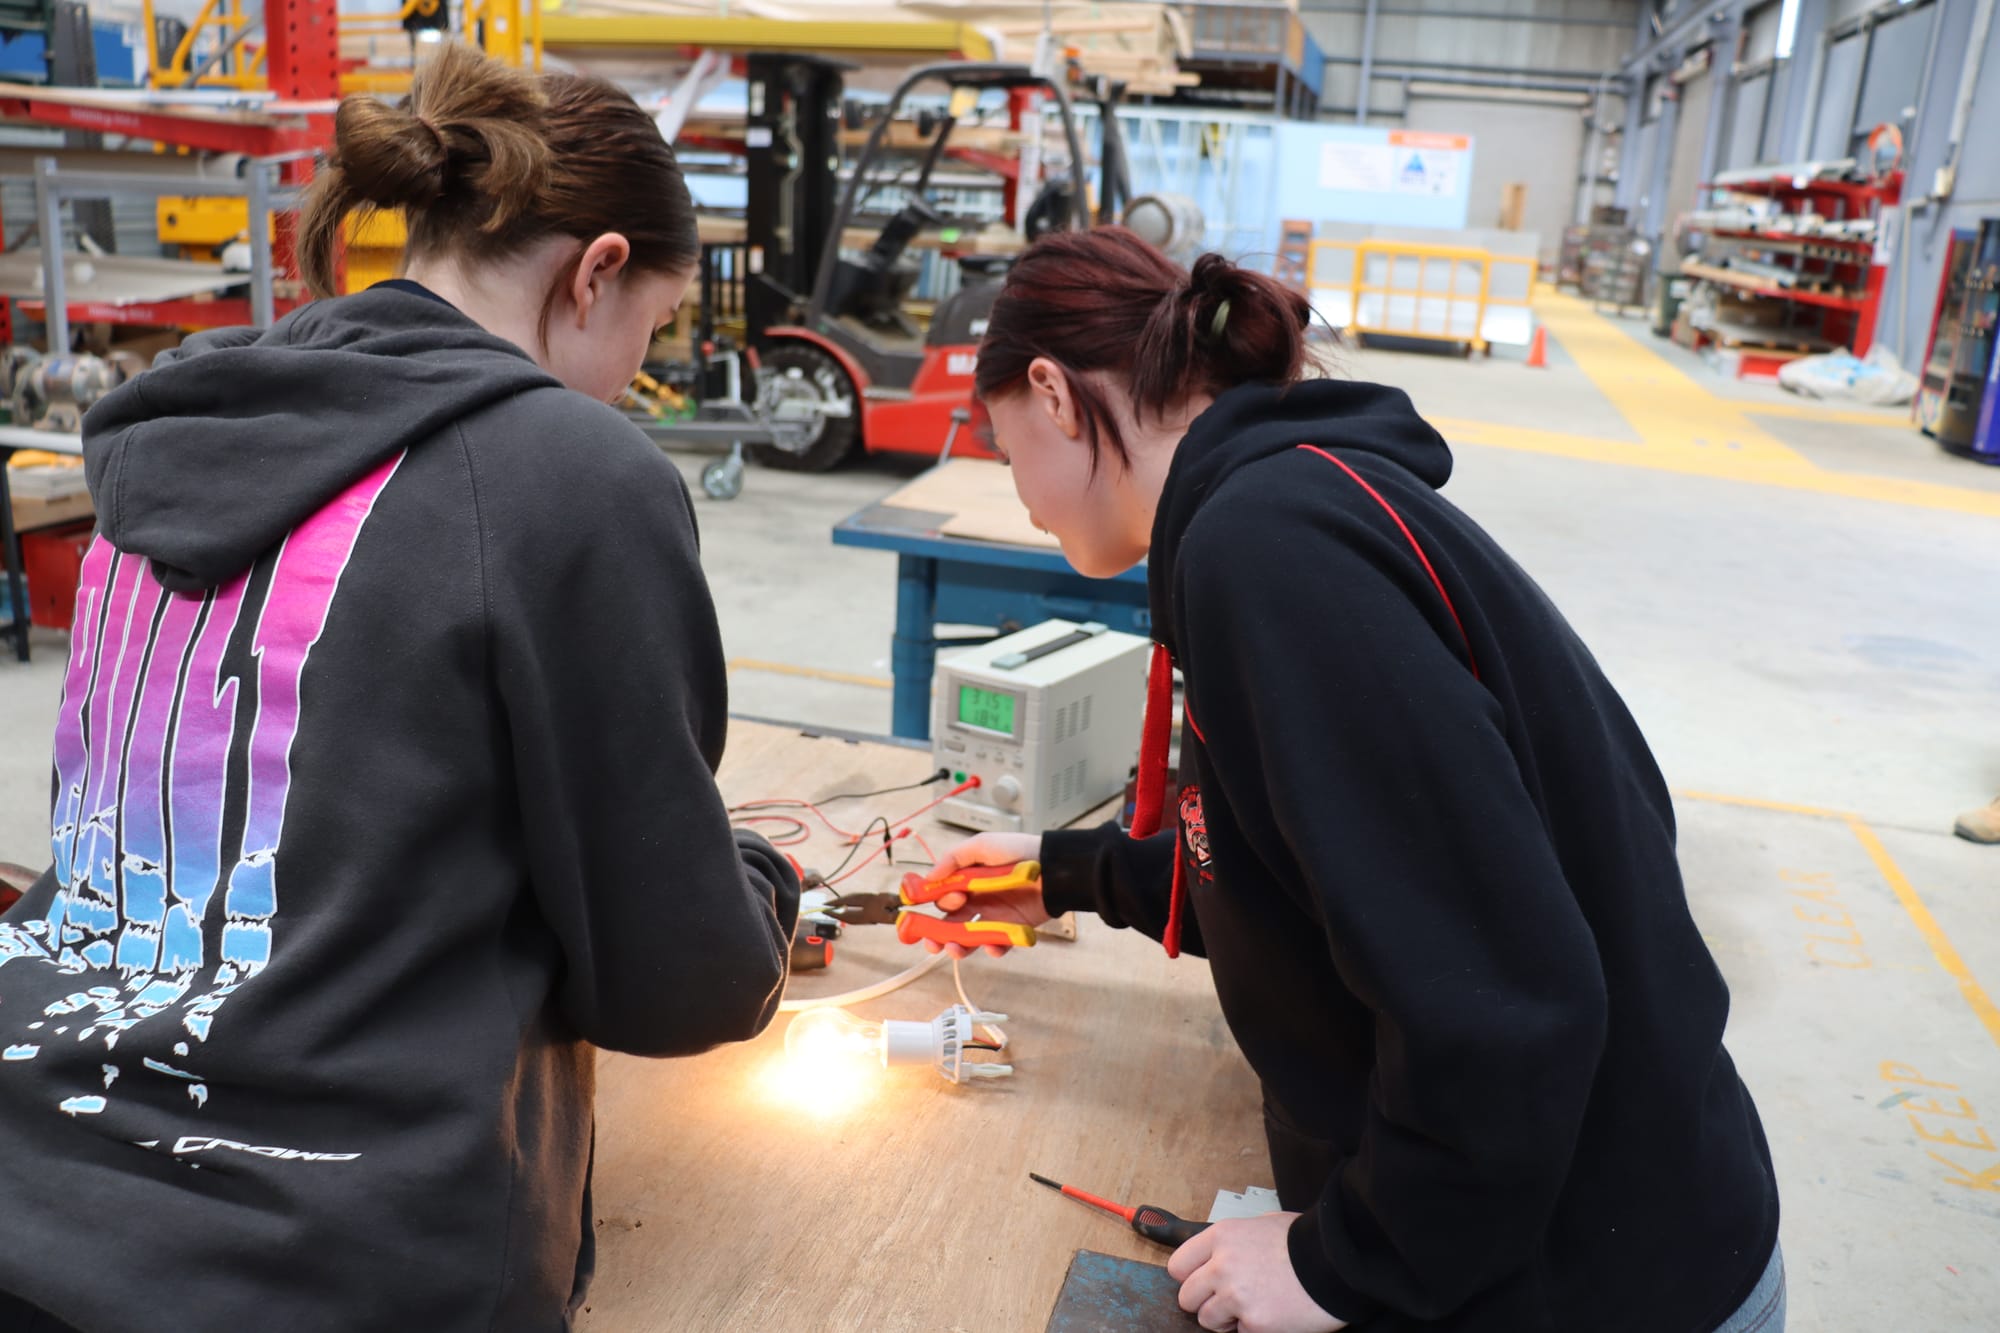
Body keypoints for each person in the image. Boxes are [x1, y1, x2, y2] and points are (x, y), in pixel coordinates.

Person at [0, 44, 799, 1332]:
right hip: (324, 1261)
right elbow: (673, 975)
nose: (630, 384)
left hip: (37, 1183)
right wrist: (757, 884)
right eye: (647, 332)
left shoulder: (179, 430)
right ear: (595, 272)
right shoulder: (566, 473)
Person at [924, 228, 1784, 1333]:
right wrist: (1069, 874)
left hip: (1604, 1277)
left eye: (1003, 456)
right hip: (1614, 1218)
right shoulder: (1291, 501)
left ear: (1049, 392)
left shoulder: (1263, 548)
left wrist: (1345, 1263)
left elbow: (1506, 1002)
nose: (1019, 497)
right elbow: (1314, 854)